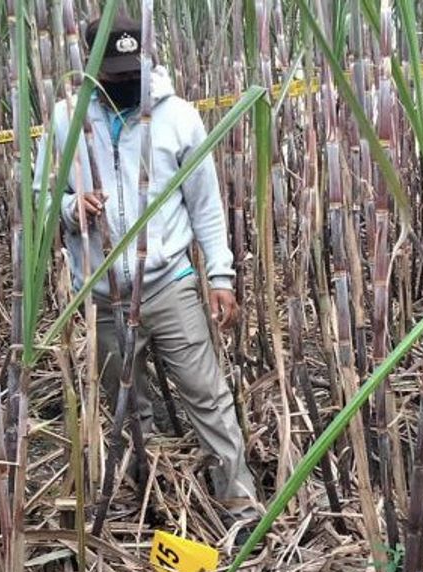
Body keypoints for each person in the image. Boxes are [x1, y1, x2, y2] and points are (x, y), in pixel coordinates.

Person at [36, 11, 260, 525]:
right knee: (125, 406)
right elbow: (42, 197)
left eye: (130, 69)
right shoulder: (67, 119)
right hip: (101, 291)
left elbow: (205, 204)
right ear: (91, 68)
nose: (124, 82)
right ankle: (150, 502)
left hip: (169, 283)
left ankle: (241, 507)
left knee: (207, 395)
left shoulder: (178, 116)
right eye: (113, 73)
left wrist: (220, 276)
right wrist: (73, 209)